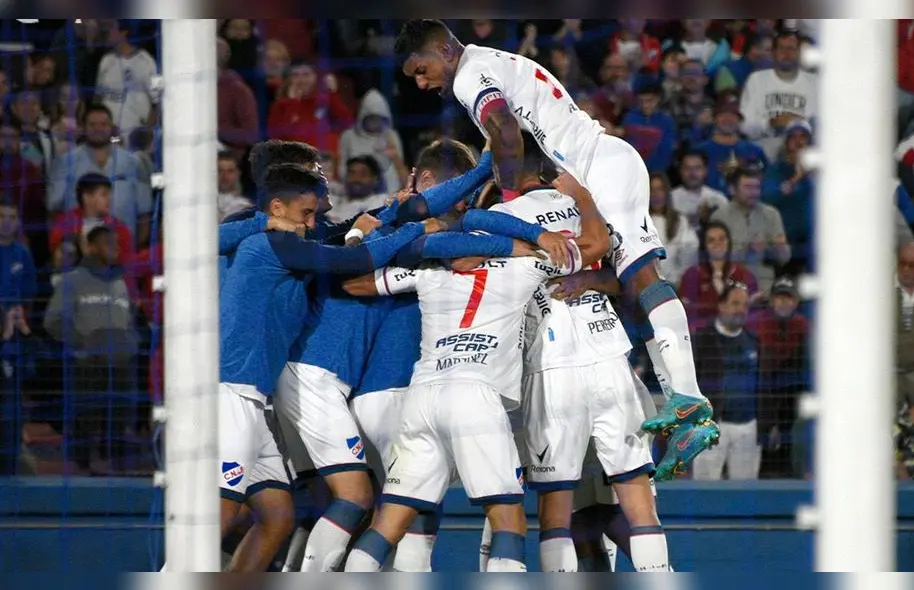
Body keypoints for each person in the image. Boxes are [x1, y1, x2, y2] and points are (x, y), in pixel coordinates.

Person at [395, 19, 719, 478]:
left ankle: (690, 403)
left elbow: (506, 134)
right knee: (633, 280)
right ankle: (684, 400)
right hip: (599, 165)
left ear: (445, 51)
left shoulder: (470, 75)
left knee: (645, 277)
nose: (422, 82)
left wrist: (509, 203)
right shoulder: (489, 63)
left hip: (602, 166)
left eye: (421, 69)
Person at [339, 171, 610, 572]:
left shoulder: (432, 266)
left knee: (390, 520)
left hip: (424, 396)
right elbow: (597, 245)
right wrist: (583, 198)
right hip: (476, 396)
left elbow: (355, 284)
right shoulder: (528, 262)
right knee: (508, 520)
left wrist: (359, 237)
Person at [214, 164, 430, 571]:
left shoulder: (294, 247)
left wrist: (388, 213)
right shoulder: (269, 241)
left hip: (255, 400)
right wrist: (417, 228)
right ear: (277, 205)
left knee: (277, 516)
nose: (313, 222)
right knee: (216, 518)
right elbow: (354, 260)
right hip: (230, 392)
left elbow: (335, 236)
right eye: (307, 212)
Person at [485, 144, 668, 572]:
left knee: (556, 508)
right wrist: (593, 276)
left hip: (551, 366)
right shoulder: (586, 206)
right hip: (609, 357)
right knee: (636, 496)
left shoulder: (499, 219)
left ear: (499, 172)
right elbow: (629, 277)